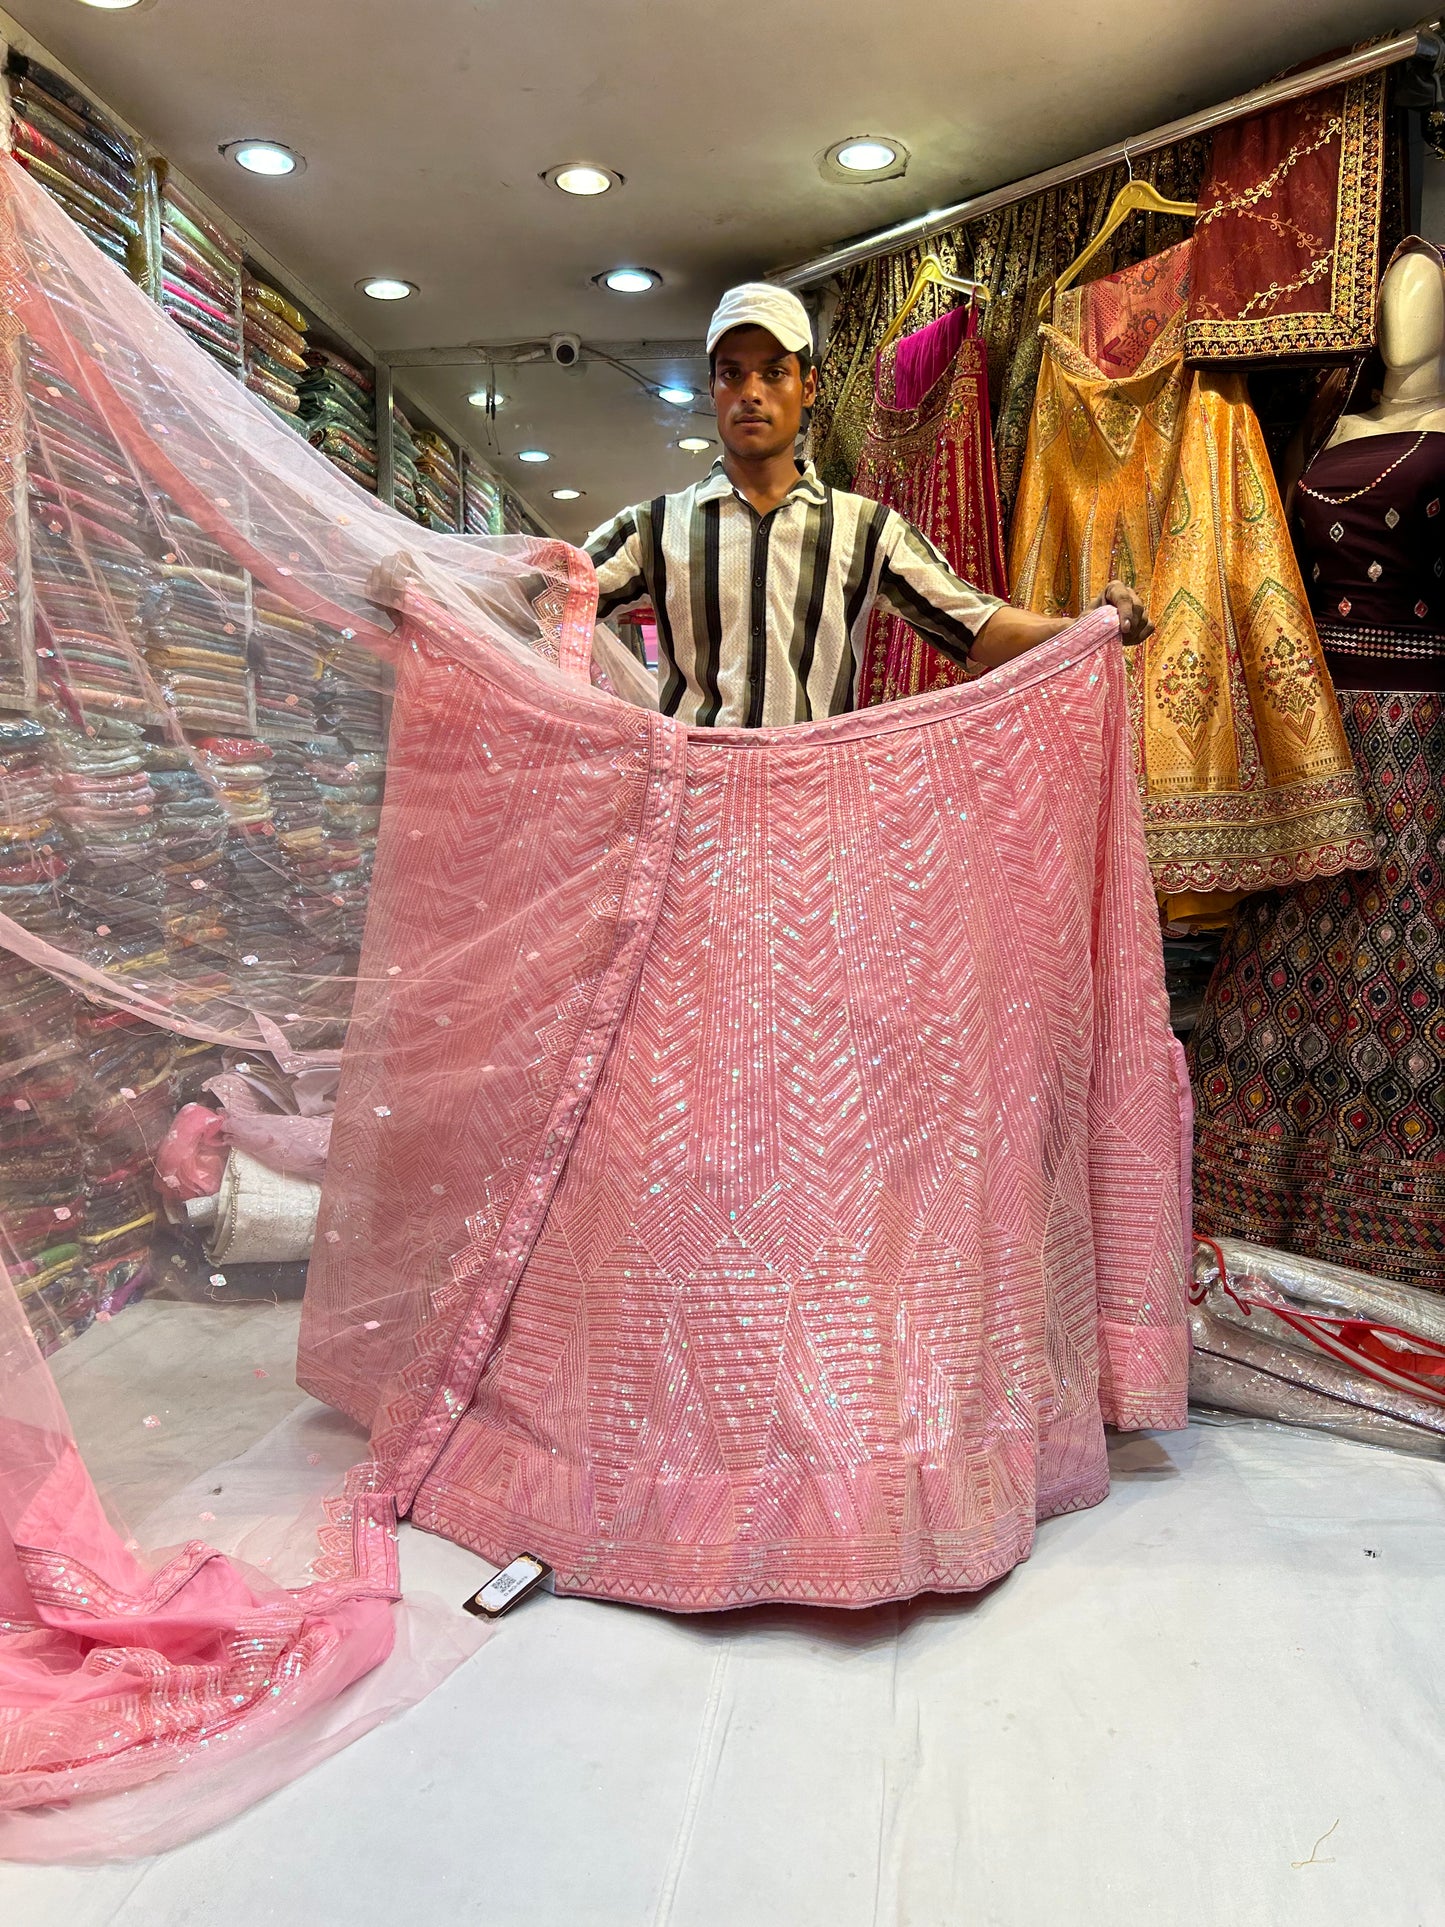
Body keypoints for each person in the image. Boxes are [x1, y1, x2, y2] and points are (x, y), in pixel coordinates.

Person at [584, 281, 1149, 726]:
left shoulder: (865, 529)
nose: (751, 392)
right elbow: (551, 600)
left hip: (814, 813)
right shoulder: (653, 529)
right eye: (733, 374)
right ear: (713, 389)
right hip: (694, 814)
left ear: (808, 388)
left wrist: (1086, 625)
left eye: (774, 373)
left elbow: (974, 624)